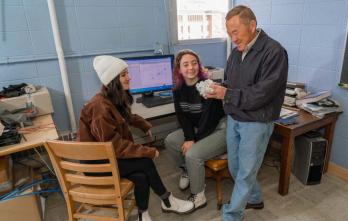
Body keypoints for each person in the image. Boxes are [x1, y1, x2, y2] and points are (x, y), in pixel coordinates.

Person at [78, 55, 194, 221]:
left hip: (107, 157)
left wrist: (143, 124)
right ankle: (168, 201)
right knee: (146, 162)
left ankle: (143, 214)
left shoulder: (110, 98)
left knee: (141, 176)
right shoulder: (100, 108)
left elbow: (126, 117)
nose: (129, 77)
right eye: (124, 74)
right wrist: (148, 151)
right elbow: (116, 146)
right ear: (112, 80)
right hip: (97, 164)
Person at [206, 5, 288, 221]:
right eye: (229, 33)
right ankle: (254, 197)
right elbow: (231, 84)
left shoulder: (274, 52)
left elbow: (261, 94)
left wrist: (227, 94)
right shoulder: (235, 52)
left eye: (235, 31)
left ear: (252, 25)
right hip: (235, 117)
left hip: (257, 122)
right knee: (235, 166)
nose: (232, 38)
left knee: (245, 172)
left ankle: (232, 215)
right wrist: (216, 90)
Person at [165, 49, 227, 210]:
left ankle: (198, 196)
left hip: (219, 128)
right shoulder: (178, 89)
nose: (191, 67)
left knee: (192, 154)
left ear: (199, 66)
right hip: (199, 128)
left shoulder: (207, 87)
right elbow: (182, 117)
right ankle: (187, 170)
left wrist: (193, 141)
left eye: (194, 63)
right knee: (170, 141)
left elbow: (209, 120)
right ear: (179, 69)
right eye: (185, 64)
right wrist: (189, 138)